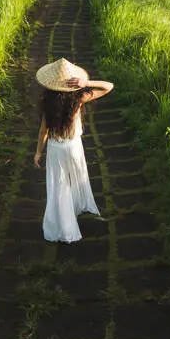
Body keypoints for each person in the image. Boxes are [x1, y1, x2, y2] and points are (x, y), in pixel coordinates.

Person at [33, 58, 114, 243]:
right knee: (76, 179)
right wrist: (87, 83)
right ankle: (75, 211)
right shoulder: (79, 98)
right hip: (74, 147)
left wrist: (38, 152)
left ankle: (64, 226)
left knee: (59, 186)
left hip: (56, 149)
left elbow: (43, 131)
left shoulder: (47, 103)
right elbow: (108, 86)